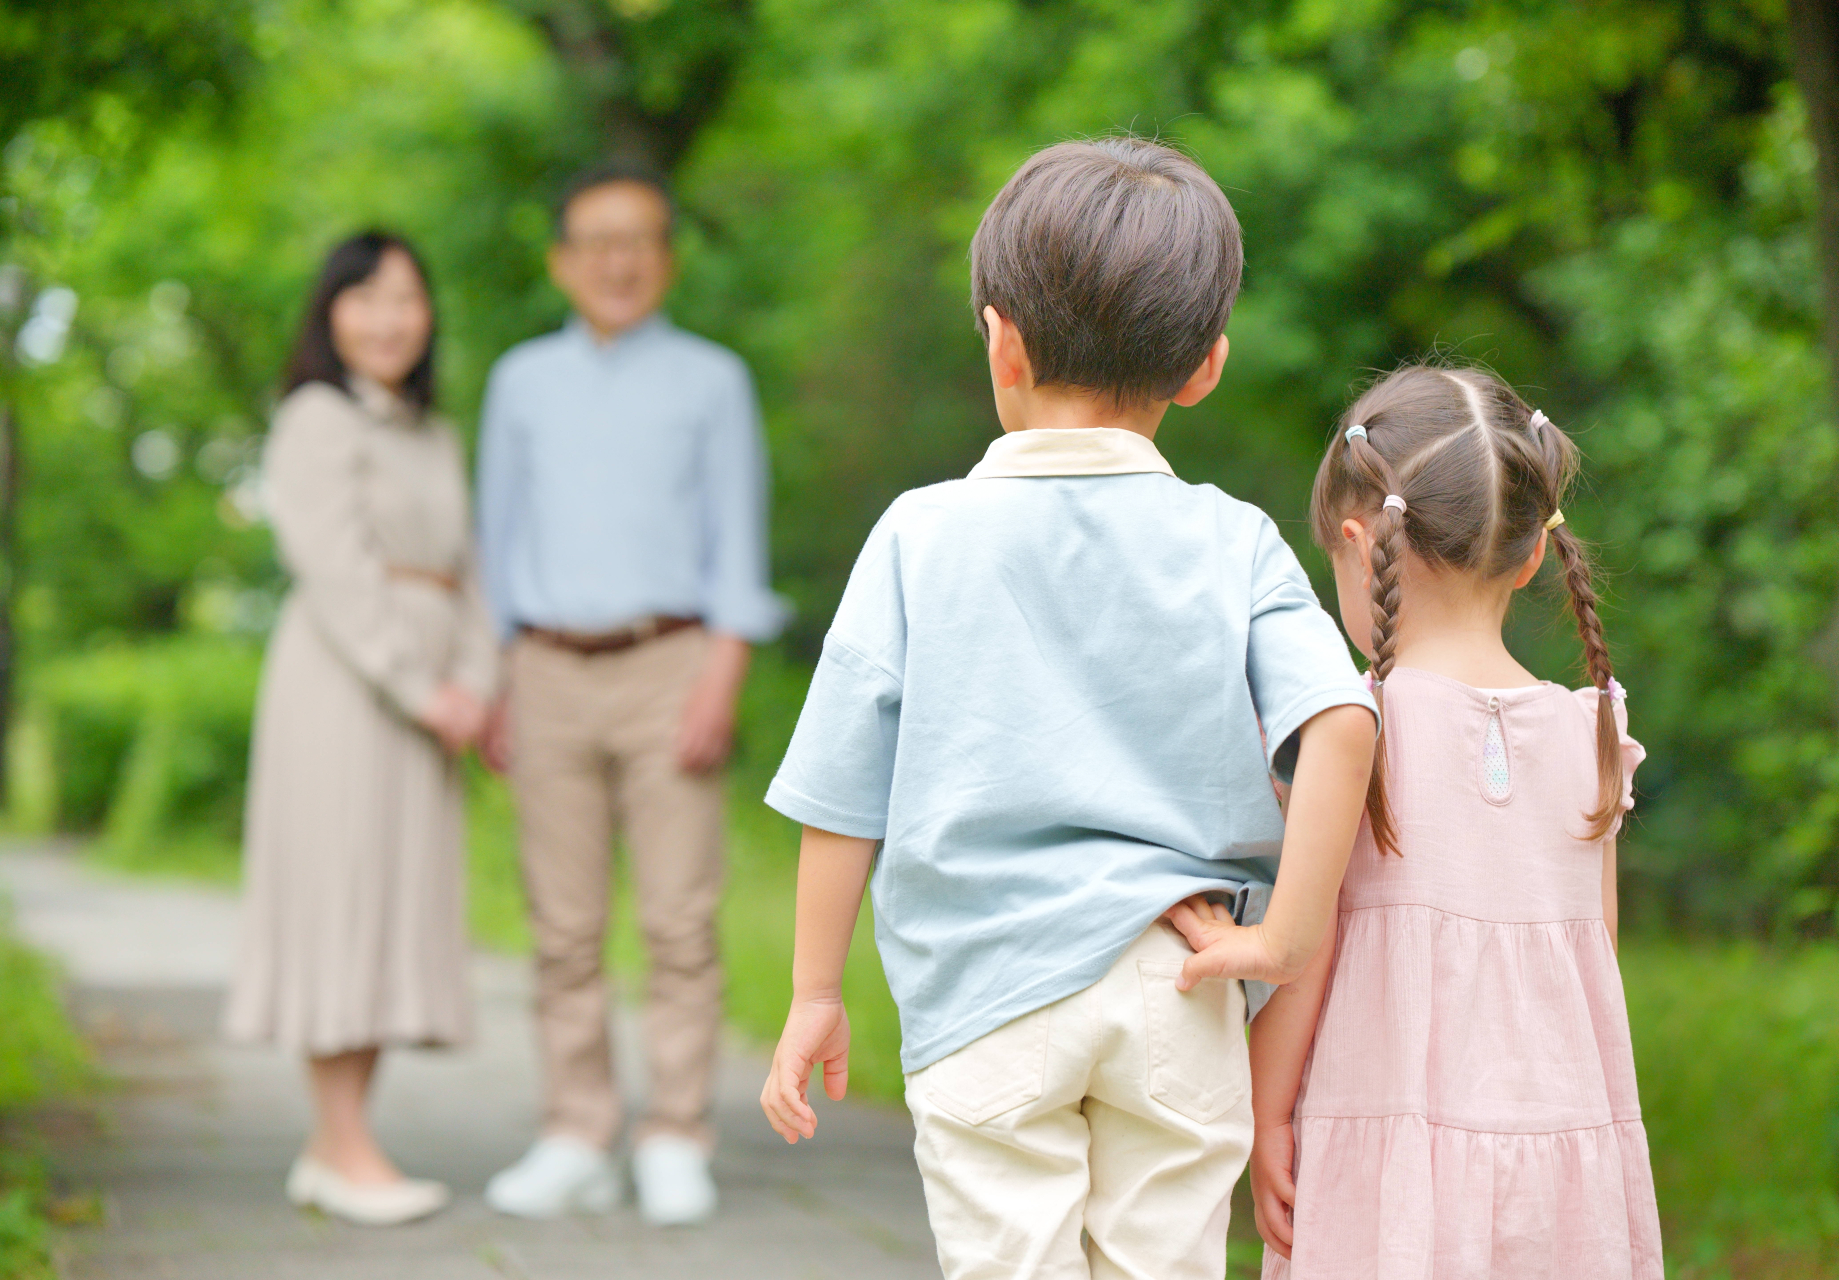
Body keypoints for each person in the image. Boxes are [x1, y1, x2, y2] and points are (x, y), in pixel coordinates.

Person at [757, 136, 1381, 1280]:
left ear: (1000, 340)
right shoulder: (1230, 537)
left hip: (986, 990)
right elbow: (1341, 722)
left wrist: (812, 992)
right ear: (1205, 367)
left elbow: (843, 790)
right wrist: (1284, 938)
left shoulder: (918, 534)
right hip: (1180, 981)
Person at [1170, 364, 1662, 1278]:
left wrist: (1267, 1113)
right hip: (1561, 1156)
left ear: (1359, 546)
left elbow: (1304, 950)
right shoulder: (1593, 726)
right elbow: (1598, 951)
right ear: (1528, 557)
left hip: (1390, 1141)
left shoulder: (1358, 727)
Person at [476, 162, 786, 1226]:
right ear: (562, 260)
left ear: (667, 257)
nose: (618, 259)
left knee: (678, 918)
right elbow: (497, 539)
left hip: (672, 662)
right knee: (561, 925)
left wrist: (721, 679)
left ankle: (675, 1132)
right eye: (596, 240)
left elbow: (739, 552)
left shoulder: (712, 379)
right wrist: (496, 680)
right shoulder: (520, 382)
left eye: (639, 238)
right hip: (546, 667)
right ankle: (574, 1129)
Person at [225, 232, 496, 1226]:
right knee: (341, 899)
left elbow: (468, 567)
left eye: (407, 298)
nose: (388, 317)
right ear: (330, 311)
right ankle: (342, 1145)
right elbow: (333, 572)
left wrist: (474, 679)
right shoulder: (315, 419)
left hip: (431, 700)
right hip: (345, 691)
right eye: (366, 296)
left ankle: (336, 1143)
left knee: (392, 908)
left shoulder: (431, 430)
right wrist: (420, 686)